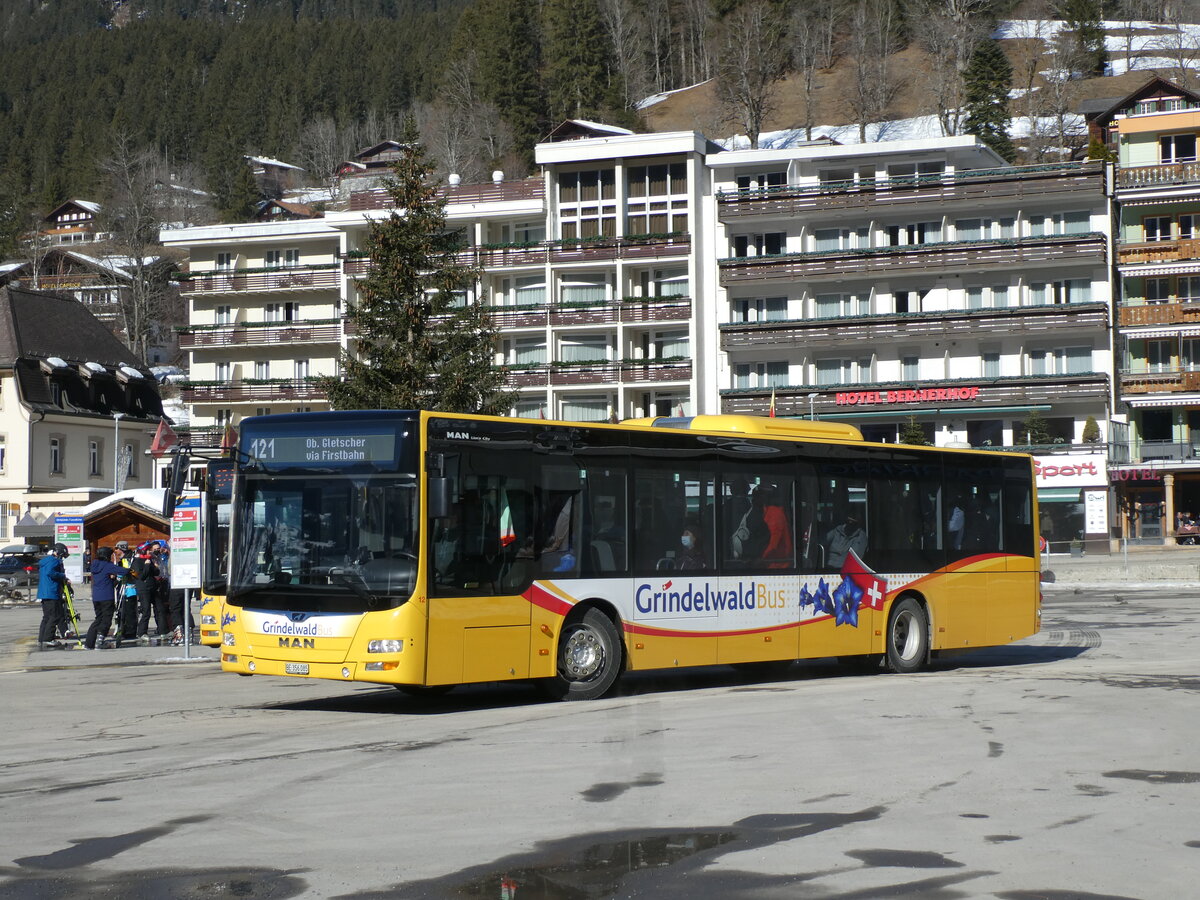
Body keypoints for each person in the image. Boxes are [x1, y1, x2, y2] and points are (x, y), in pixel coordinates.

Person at [84, 547, 127, 650]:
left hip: (96, 596)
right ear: (107, 556)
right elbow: (123, 571)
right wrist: (132, 570)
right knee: (106, 620)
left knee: (98, 618)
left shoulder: (95, 565)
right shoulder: (108, 566)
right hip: (107, 596)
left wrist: (111, 578)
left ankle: (89, 642)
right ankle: (100, 639)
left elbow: (104, 577)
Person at [36, 543, 70, 649]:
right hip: (51, 592)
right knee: (54, 616)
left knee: (46, 617)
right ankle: (48, 639)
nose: (62, 558)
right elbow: (51, 572)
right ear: (59, 553)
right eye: (63, 556)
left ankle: (41, 639)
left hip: (44, 592)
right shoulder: (54, 561)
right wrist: (63, 576)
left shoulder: (45, 561)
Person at [131, 543, 160, 644]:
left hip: (152, 587)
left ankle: (163, 630)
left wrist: (154, 566)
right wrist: (147, 566)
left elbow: (156, 572)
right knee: (146, 610)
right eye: (148, 550)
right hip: (143, 589)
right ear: (143, 551)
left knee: (159, 608)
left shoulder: (148, 560)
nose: (150, 552)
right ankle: (142, 632)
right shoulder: (136, 562)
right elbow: (141, 576)